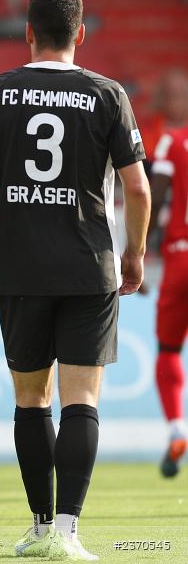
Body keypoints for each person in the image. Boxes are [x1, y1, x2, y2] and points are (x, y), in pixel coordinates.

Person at [0, 0, 150, 561]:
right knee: (82, 400)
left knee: (29, 400)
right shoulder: (108, 93)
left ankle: (40, 527)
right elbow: (137, 188)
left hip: (20, 267)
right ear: (81, 34)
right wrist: (134, 252)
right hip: (90, 265)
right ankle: (69, 531)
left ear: (27, 33)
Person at [147, 122, 188, 478]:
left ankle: (177, 427)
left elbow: (156, 194)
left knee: (169, 350)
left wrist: (140, 249)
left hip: (180, 257)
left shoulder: (173, 141)